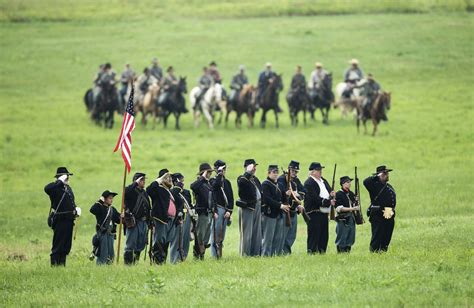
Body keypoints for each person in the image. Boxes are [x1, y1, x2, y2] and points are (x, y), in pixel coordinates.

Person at [44, 167, 81, 266]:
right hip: (60, 220)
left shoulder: (68, 188)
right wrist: (59, 181)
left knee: (66, 245)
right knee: (58, 245)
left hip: (69, 220)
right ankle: (55, 265)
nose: (68, 178)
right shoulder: (55, 188)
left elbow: (70, 202)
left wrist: (76, 209)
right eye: (66, 176)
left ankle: (62, 265)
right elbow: (47, 189)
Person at [147, 169, 183, 265]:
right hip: (161, 219)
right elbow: (149, 190)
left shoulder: (169, 191)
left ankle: (162, 261)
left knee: (166, 241)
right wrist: (159, 179)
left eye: (170, 177)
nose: (170, 179)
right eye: (167, 177)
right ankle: (157, 262)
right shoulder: (158, 189)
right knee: (159, 241)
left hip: (171, 220)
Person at [304, 162, 335, 254]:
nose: (320, 171)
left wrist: (332, 194)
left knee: (323, 235)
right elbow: (315, 199)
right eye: (318, 170)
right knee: (314, 235)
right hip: (314, 212)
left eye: (320, 169)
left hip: (324, 213)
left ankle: (322, 252)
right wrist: (328, 202)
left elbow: (329, 191)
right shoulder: (309, 183)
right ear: (312, 172)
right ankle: (312, 252)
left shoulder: (323, 180)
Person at [364, 165, 396, 253]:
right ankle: (374, 252)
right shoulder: (374, 185)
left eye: (387, 173)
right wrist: (377, 176)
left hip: (388, 211)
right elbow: (365, 181)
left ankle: (383, 251)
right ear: (380, 175)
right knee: (377, 235)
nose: (387, 175)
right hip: (378, 213)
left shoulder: (388, 186)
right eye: (385, 173)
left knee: (387, 234)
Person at [277, 160, 306, 254]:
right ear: (288, 169)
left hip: (294, 210)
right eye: (292, 171)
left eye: (296, 171)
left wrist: (297, 197)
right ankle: (282, 252)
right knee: (283, 234)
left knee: (291, 235)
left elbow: (303, 192)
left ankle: (286, 252)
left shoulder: (296, 180)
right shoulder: (281, 179)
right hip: (285, 210)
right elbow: (281, 194)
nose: (294, 173)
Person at [261, 165, 289, 256]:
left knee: (278, 237)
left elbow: (284, 198)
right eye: (273, 172)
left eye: (277, 172)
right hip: (269, 214)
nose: (276, 174)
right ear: (268, 173)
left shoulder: (280, 185)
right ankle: (265, 255)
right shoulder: (265, 184)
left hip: (279, 213)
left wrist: (286, 198)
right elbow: (267, 199)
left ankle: (274, 255)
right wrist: (280, 205)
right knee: (268, 238)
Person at [123, 172, 151, 265]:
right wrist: (135, 183)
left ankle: (135, 262)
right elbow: (126, 192)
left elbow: (148, 207)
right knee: (130, 244)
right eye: (141, 180)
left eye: (144, 180)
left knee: (141, 244)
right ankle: (128, 264)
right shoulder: (130, 191)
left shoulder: (144, 193)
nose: (144, 182)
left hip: (143, 222)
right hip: (133, 222)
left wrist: (149, 221)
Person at [236, 159, 262, 257]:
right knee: (246, 232)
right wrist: (247, 172)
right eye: (252, 166)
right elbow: (242, 184)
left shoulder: (255, 179)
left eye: (255, 167)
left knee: (256, 232)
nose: (254, 169)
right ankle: (245, 253)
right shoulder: (242, 178)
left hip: (257, 206)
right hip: (247, 208)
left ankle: (255, 253)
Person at [209, 160, 234, 258]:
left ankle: (219, 254)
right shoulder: (213, 180)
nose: (224, 171)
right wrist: (219, 174)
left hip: (225, 211)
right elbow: (216, 186)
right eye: (222, 169)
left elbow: (231, 198)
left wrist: (229, 211)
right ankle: (215, 255)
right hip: (217, 210)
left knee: (222, 234)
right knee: (216, 234)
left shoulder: (227, 182)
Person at [190, 163, 214, 260]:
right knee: (199, 236)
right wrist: (202, 177)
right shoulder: (199, 183)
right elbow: (193, 187)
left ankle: (202, 254)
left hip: (208, 212)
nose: (209, 174)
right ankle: (198, 255)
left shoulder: (208, 184)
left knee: (205, 236)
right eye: (208, 172)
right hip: (201, 213)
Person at [89, 190, 120, 265]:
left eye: (112, 198)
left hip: (111, 234)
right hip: (102, 234)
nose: (111, 200)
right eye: (109, 198)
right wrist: (100, 200)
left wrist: (121, 217)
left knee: (111, 253)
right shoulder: (99, 207)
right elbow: (92, 210)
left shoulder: (112, 209)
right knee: (103, 253)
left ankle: (109, 267)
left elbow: (118, 220)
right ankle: (100, 267)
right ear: (104, 199)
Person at [170, 173, 194, 262]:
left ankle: (183, 257)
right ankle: (174, 259)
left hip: (187, 216)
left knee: (186, 238)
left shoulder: (186, 192)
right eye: (181, 181)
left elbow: (189, 204)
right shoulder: (173, 191)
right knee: (176, 239)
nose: (183, 183)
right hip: (178, 218)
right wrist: (177, 187)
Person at [334, 176, 359, 253]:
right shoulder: (338, 194)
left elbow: (354, 204)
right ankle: (341, 253)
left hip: (351, 217)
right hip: (343, 218)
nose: (349, 184)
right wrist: (352, 209)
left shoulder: (351, 193)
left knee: (350, 236)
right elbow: (339, 208)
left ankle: (347, 252)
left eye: (349, 182)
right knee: (342, 236)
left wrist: (356, 201)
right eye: (347, 182)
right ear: (342, 184)